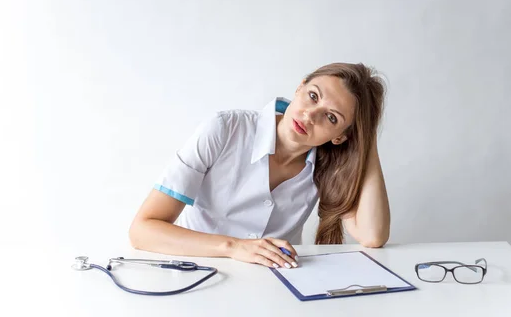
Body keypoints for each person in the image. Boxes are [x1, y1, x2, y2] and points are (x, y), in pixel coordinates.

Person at [129, 62, 390, 270]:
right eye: (313, 96)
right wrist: (234, 247)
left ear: (340, 136)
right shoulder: (225, 129)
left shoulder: (330, 166)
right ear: (299, 88)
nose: (310, 115)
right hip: (196, 273)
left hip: (274, 288)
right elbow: (143, 230)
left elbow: (372, 235)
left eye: (331, 117)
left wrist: (366, 139)